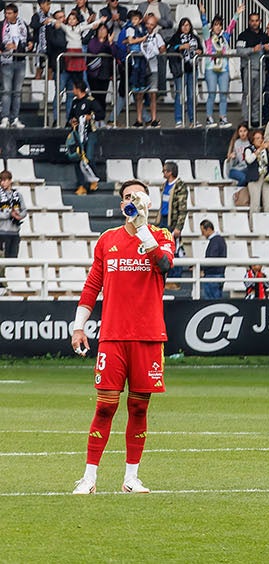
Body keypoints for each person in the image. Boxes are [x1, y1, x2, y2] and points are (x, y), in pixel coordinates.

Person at [68, 178, 176, 494]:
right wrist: (79, 326)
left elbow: (165, 265)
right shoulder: (107, 240)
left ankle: (131, 478)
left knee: (139, 408)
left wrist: (144, 229)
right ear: (121, 205)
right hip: (113, 336)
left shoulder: (161, 236)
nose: (133, 200)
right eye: (127, 197)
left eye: (138, 196)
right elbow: (92, 286)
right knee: (105, 407)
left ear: (149, 202)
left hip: (148, 336)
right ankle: (89, 478)